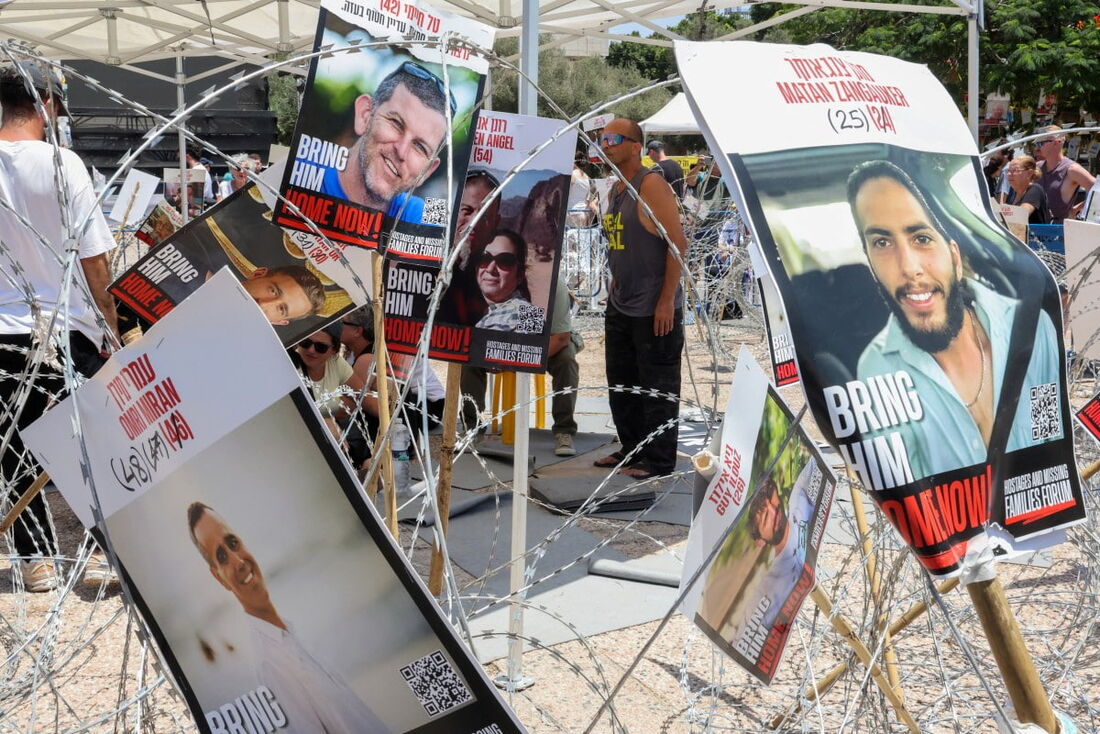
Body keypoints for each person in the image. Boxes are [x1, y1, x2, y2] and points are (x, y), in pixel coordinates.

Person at [848, 160, 1062, 478]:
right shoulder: (875, 367)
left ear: (955, 257)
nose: (909, 268)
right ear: (870, 265)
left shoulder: (1032, 328)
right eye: (882, 243)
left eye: (921, 238)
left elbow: (1050, 444)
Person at [0, 62, 119, 591]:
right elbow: (96, 259)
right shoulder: (61, 163)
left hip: (4, 326)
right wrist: (110, 325)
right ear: (45, 105)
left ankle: (38, 561)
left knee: (14, 448)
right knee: (90, 443)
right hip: (69, 328)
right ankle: (97, 554)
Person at [187, 503, 388, 733]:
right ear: (219, 578)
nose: (238, 562)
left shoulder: (289, 633)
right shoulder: (271, 665)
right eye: (222, 556)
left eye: (233, 543)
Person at [595, 118, 688, 480]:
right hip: (622, 302)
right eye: (602, 139)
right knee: (621, 382)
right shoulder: (617, 189)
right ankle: (631, 448)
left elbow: (677, 244)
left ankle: (659, 460)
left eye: (614, 139)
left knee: (658, 387)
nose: (606, 145)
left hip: (653, 306)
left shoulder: (651, 185)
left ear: (636, 146)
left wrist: (666, 300)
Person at [458, 274, 581, 455]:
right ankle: (472, 429)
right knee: (470, 359)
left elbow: (561, 338)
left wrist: (518, 361)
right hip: (510, 339)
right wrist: (497, 357)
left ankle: (564, 430)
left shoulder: (552, 285)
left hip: (548, 340)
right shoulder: (496, 286)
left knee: (566, 361)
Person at [317, 61, 452, 224]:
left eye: (419, 147)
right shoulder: (298, 173)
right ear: (365, 115)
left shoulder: (425, 214)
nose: (401, 151)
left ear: (427, 171)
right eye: (396, 123)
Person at [700, 474, 814, 644]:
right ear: (759, 541)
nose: (776, 514)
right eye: (766, 517)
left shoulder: (799, 499)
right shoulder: (765, 592)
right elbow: (742, 642)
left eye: (776, 504)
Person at [293, 323, 377, 446]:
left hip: (332, 443)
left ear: (334, 350)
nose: (311, 350)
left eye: (320, 347)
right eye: (306, 343)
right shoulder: (290, 366)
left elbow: (365, 398)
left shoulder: (336, 362)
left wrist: (393, 419)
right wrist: (324, 423)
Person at [441, 169, 502, 327]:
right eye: (466, 211)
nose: (474, 221)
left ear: (495, 224)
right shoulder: (419, 267)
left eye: (485, 215)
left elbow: (542, 333)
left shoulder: (498, 283)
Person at [473, 230, 545, 334]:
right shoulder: (484, 312)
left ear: (520, 274)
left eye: (505, 261)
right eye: (485, 258)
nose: (490, 268)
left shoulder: (529, 313)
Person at [1035, 125, 1096, 222]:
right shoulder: (1037, 167)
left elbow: (1097, 191)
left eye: (1040, 143)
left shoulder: (1072, 169)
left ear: (1056, 143)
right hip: (1035, 229)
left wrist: (1076, 209)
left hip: (1060, 232)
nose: (1037, 148)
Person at [1004, 155, 1050, 225]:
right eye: (1009, 171)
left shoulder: (1035, 190)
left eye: (1015, 170)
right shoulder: (1013, 193)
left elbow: (1022, 214)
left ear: (1029, 173)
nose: (1009, 174)